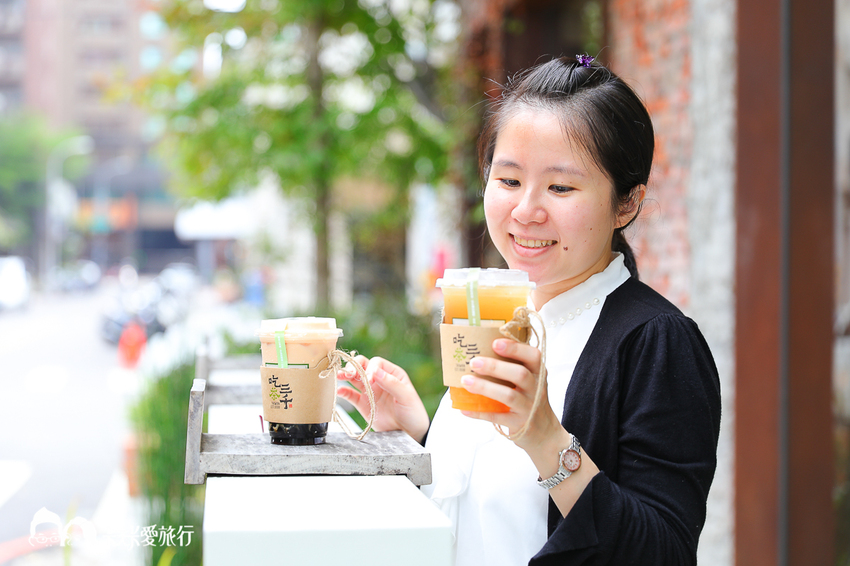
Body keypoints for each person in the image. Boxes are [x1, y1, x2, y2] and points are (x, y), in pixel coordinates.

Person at [337, 55, 721, 566]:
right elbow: (489, 514)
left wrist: (544, 438)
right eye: (510, 181)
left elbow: (665, 552)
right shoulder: (503, 313)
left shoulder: (657, 342)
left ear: (626, 204)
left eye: (561, 187)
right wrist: (422, 432)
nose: (525, 211)